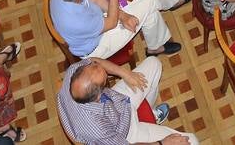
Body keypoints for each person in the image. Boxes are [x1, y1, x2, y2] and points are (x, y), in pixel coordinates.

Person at [50, 0, 187, 60]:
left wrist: (123, 15)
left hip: (96, 23)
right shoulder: (79, 22)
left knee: (149, 10)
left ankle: (155, 48)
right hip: (98, 45)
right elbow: (111, 22)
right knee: (149, 0)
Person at [58, 56, 196, 145]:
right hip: (126, 133)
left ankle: (151, 114)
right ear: (98, 96)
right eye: (106, 78)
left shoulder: (74, 71)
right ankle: (147, 120)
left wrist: (125, 73)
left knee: (154, 63)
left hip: (117, 102)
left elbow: (96, 62)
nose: (106, 71)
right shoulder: (96, 128)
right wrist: (162, 143)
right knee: (192, 141)